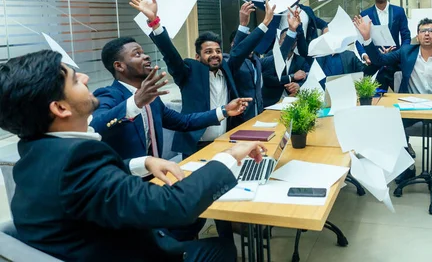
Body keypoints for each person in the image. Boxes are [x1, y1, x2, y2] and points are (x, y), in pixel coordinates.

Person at [0, 49, 266, 262]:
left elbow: (81, 185)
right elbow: (173, 206)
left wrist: (140, 162)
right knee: (221, 249)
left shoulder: (34, 152)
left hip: (98, 240)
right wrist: (231, 155)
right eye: (74, 79)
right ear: (59, 108)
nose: (86, 78)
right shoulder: (78, 156)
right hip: (131, 250)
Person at [129, 0, 275, 158]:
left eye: (218, 51)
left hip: (225, 141)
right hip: (196, 145)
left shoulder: (227, 69)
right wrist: (155, 23)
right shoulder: (188, 72)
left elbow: (242, 50)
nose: (215, 54)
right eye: (208, 51)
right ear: (197, 56)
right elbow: (170, 54)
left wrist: (265, 23)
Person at [354, 15, 432, 183]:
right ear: (417, 36)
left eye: (431, 31)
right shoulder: (406, 52)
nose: (427, 34)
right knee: (392, 125)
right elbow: (380, 60)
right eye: (423, 31)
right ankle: (408, 166)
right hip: (410, 108)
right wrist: (367, 39)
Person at [91, 37, 252, 160]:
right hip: (125, 183)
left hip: (154, 176)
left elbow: (184, 122)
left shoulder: (152, 99)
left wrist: (224, 110)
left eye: (144, 52)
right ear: (119, 66)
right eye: (137, 54)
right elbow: (95, 126)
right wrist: (136, 102)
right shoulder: (109, 94)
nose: (146, 57)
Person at [356, 0, 411, 91]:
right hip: (374, 62)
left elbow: (406, 36)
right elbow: (359, 39)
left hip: (395, 61)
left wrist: (401, 53)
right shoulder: (365, 14)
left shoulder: (399, 11)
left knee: (403, 95)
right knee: (374, 98)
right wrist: (365, 55)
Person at [226, 1, 264, 124]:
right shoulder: (229, 61)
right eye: (246, 42)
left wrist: (291, 31)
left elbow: (277, 59)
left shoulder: (256, 61)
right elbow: (235, 56)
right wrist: (243, 25)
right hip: (240, 118)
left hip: (258, 115)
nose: (249, 45)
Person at [261, 9, 309, 107]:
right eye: (285, 39)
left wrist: (298, 86)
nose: (290, 42)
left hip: (293, 102)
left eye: (293, 40)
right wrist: (291, 77)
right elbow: (267, 78)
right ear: (279, 41)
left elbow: (308, 77)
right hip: (271, 102)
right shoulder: (270, 55)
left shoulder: (300, 60)